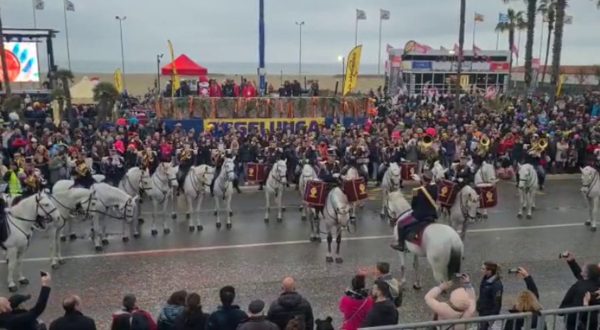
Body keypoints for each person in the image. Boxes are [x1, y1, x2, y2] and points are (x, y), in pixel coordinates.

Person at [391, 171, 438, 251]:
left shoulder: (417, 191)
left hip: (419, 216)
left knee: (401, 224)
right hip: (432, 215)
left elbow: (413, 205)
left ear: (423, 180)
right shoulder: (435, 188)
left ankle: (401, 245)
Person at [560, 252, 600, 330]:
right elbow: (583, 276)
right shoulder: (593, 283)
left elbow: (583, 277)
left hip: (577, 322)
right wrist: (572, 262)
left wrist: (562, 311)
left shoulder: (579, 287)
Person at [477, 261, 504, 330]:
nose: (481, 270)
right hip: (482, 312)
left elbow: (497, 303)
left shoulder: (496, 285)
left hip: (488, 314)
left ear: (489, 271)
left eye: (483, 269)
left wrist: (491, 319)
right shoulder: (485, 279)